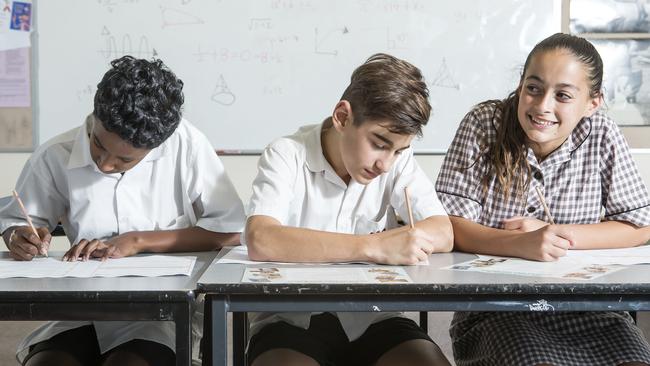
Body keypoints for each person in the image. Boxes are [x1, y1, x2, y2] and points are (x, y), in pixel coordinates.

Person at [0, 56, 245, 366]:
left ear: (159, 144)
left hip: (162, 315)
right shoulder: (54, 155)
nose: (104, 164)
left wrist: (137, 241)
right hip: (81, 311)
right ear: (94, 115)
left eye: (124, 160)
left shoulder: (187, 145)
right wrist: (19, 237)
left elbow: (231, 230)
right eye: (98, 144)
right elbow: (19, 223)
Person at [435, 33, 650, 366]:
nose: (542, 105)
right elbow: (448, 225)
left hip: (592, 310)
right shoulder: (483, 125)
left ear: (592, 103)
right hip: (498, 311)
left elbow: (639, 226)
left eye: (563, 95)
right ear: (520, 84)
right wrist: (517, 243)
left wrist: (556, 233)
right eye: (533, 88)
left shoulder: (603, 132)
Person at [245, 53, 454, 366]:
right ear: (343, 117)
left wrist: (407, 240)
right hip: (290, 319)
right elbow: (261, 239)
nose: (386, 164)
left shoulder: (397, 162)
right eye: (379, 143)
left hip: (373, 317)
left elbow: (443, 231)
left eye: (399, 150)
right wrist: (373, 247)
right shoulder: (286, 153)